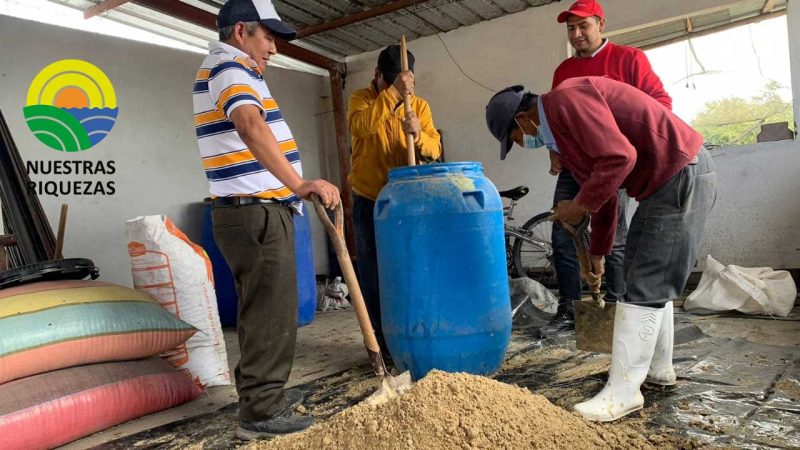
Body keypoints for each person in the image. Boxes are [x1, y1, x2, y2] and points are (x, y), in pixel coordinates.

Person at [485, 77, 716, 421]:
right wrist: (597, 253)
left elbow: (620, 158)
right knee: (647, 273)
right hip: (669, 179)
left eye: (515, 139)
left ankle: (623, 393)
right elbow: (606, 194)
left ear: (523, 120)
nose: (522, 144)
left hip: (681, 171)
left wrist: (577, 205)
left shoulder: (564, 101)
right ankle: (658, 370)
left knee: (645, 281)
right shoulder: (564, 134)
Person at [192, 0, 340, 439]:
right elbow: (250, 125)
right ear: (241, 32)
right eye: (268, 36)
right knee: (271, 312)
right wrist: (298, 183)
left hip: (251, 211)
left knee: (264, 310)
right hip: (255, 210)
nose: (273, 48)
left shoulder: (233, 69)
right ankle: (261, 413)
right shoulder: (230, 68)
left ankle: (263, 397)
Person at [540, 0, 673, 334]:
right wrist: (554, 150)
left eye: (583, 26)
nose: (577, 34)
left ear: (601, 24)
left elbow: (661, 105)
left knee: (613, 236)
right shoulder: (563, 71)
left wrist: (620, 139)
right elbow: (555, 120)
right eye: (571, 29)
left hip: (615, 163)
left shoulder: (629, 59)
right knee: (562, 231)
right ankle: (570, 310)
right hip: (575, 165)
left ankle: (617, 308)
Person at [347, 45, 442, 357]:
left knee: (410, 266)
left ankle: (412, 332)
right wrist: (392, 97)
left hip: (407, 203)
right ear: (377, 76)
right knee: (373, 273)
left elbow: (434, 150)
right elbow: (361, 127)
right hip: (369, 200)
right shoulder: (362, 100)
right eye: (388, 82)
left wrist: (420, 135)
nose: (396, 89)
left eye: (402, 84)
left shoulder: (420, 107)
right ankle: (382, 345)